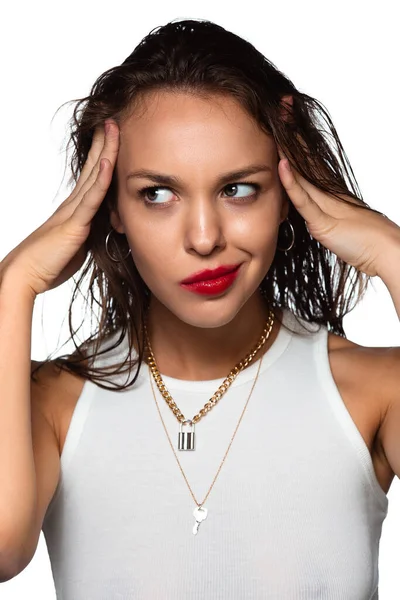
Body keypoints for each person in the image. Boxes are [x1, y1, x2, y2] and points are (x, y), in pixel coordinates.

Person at [0, 16, 399, 599]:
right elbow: (5, 549)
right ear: (110, 207)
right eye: (157, 194)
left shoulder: (372, 389)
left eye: (238, 188)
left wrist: (394, 253)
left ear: (288, 192)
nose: (205, 237)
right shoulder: (53, 402)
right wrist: (13, 289)